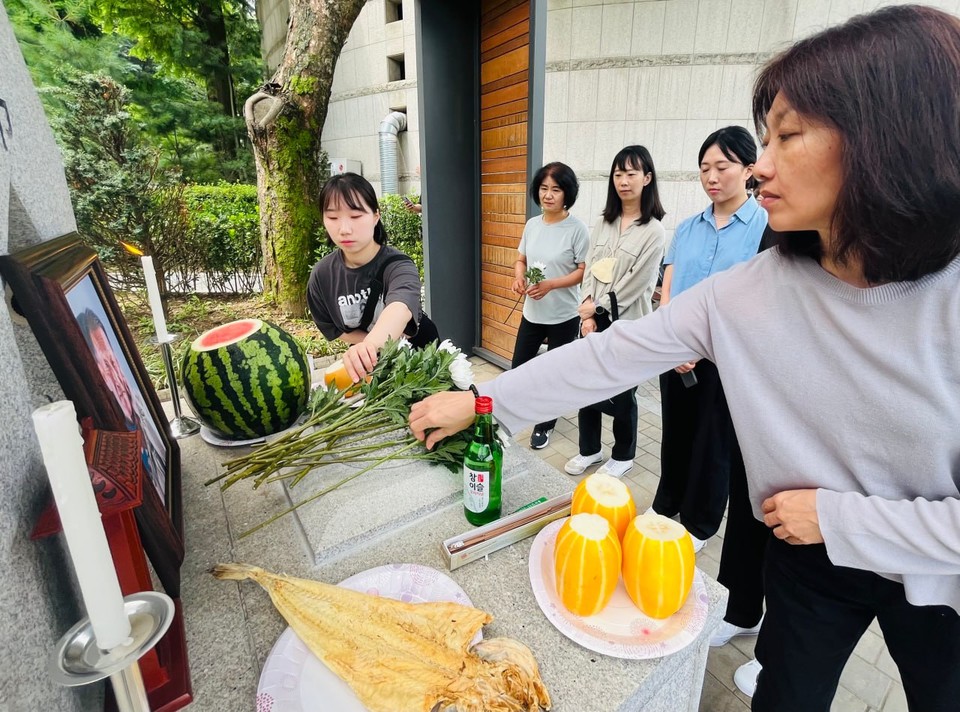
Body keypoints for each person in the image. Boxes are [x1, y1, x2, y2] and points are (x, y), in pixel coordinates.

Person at [409, 6, 960, 711]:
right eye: (763, 138)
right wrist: (483, 402)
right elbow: (608, 357)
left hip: (936, 576)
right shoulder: (748, 293)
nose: (759, 166)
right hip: (804, 556)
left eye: (787, 136)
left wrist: (843, 519)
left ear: (892, 139)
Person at [654, 126, 767, 555]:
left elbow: (761, 304)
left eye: (722, 166)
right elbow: (669, 289)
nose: (712, 176)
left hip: (727, 359)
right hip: (677, 352)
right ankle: (667, 504)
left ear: (749, 170)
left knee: (714, 443)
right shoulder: (686, 228)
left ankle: (700, 523)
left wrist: (704, 347)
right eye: (704, 168)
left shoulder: (765, 228)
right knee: (675, 433)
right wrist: (672, 339)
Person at [564, 146, 665, 478]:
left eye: (632, 173)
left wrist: (598, 308)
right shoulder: (603, 222)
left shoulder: (654, 231)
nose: (624, 181)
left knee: (623, 392)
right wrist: (586, 313)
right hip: (592, 317)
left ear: (647, 178)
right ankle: (589, 450)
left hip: (628, 322)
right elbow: (591, 267)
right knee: (586, 384)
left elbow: (639, 282)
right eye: (618, 174)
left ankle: (623, 455)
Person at [307, 173, 438, 382]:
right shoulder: (322, 275)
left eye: (356, 216)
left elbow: (399, 308)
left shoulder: (398, 265)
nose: (344, 229)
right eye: (332, 218)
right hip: (367, 362)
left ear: (375, 217)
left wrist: (369, 346)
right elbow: (332, 328)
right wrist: (368, 349)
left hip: (419, 353)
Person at [509, 162, 589, 450]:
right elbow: (521, 259)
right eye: (544, 188)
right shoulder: (532, 225)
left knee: (554, 374)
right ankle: (513, 414)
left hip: (563, 316)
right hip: (532, 312)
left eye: (556, 189)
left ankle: (544, 424)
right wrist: (520, 278)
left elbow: (583, 271)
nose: (549, 195)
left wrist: (550, 284)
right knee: (519, 367)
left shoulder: (577, 229)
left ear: (567, 194)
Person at [77, 308, 166, 500]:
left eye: (114, 362)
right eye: (106, 368)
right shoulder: (106, 439)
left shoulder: (142, 407)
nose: (118, 379)